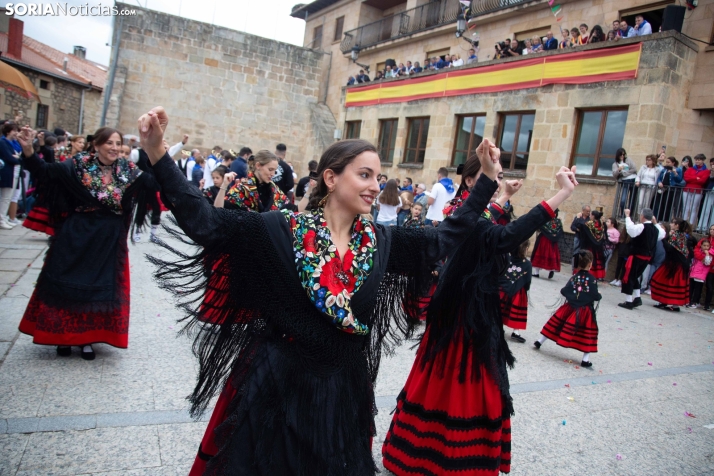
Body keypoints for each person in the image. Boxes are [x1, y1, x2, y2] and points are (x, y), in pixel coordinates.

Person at [137, 105, 520, 475]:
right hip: (275, 383)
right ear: (332, 179)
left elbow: (444, 239)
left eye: (378, 177)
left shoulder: (382, 241)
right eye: (365, 175)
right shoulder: (277, 230)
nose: (376, 186)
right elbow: (205, 222)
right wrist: (157, 152)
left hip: (341, 389)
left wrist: (486, 179)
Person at [382, 151, 578, 476]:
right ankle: (448, 460)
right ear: (473, 180)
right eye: (495, 175)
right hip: (465, 317)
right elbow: (505, 235)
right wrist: (561, 194)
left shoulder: (462, 212)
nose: (499, 180)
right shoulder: (468, 219)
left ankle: (422, 452)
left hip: (462, 309)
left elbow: (484, 218)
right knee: (462, 382)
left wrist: (504, 195)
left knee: (443, 379)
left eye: (499, 175)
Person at [16, 125, 155, 360]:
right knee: (67, 283)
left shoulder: (128, 170)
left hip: (108, 239)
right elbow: (45, 172)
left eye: (117, 143)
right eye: (109, 143)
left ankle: (86, 340)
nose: (114, 147)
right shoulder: (77, 165)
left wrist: (155, 150)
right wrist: (29, 148)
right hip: (77, 233)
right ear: (97, 144)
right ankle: (61, 336)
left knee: (97, 288)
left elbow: (155, 184)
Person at [534, 250, 601, 368]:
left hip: (570, 307)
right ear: (590, 264)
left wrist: (573, 296)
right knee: (588, 333)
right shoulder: (592, 279)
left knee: (556, 323)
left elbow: (565, 290)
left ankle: (540, 341)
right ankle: (585, 359)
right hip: (585, 311)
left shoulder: (574, 277)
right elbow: (595, 295)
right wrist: (598, 295)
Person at [618, 208, 664, 310]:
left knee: (629, 276)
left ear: (642, 216)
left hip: (637, 256)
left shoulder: (642, 226)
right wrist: (655, 223)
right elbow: (662, 234)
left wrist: (627, 216)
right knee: (634, 276)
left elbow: (631, 231)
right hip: (647, 258)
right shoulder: (656, 229)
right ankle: (637, 298)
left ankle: (629, 301)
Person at [217, 150, 288, 212]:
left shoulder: (275, 191)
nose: (273, 174)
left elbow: (291, 210)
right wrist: (224, 185)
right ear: (258, 166)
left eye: (275, 171)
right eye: (270, 169)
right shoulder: (241, 188)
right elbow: (219, 212)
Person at [650, 218, 690, 312]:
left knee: (671, 281)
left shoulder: (676, 235)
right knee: (668, 281)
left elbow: (670, 248)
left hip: (675, 263)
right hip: (676, 262)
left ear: (677, 225)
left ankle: (670, 303)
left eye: (673, 223)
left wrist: (663, 239)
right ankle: (665, 302)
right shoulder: (681, 235)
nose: (671, 224)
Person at [500, 240, 532, 343]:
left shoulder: (507, 259)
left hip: (502, 288)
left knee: (500, 308)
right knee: (516, 311)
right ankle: (516, 331)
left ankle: (497, 326)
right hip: (519, 291)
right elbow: (527, 280)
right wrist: (526, 289)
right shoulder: (527, 264)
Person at [574, 209, 607, 281]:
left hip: (589, 245)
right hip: (598, 247)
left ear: (593, 216)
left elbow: (581, 226)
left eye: (591, 215)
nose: (590, 216)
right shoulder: (601, 224)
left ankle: (586, 273)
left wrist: (578, 218)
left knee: (588, 259)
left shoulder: (589, 223)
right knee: (596, 260)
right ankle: (596, 276)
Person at [0, 122, 21, 230]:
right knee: (5, 197)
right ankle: (1, 219)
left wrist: (17, 157)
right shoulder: (3, 142)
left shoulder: (11, 143)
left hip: (12, 172)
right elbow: (10, 157)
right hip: (7, 172)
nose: (16, 133)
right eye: (14, 131)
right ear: (8, 131)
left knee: (8, 197)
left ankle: (3, 218)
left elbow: (19, 156)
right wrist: (17, 157)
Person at [531, 209, 563, 279]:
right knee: (551, 253)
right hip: (552, 242)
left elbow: (540, 227)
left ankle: (536, 272)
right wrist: (554, 237)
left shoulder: (545, 220)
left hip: (544, 239)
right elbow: (560, 231)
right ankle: (551, 270)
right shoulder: (558, 222)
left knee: (540, 252)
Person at [654, 156, 684, 222]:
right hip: (662, 189)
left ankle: (665, 220)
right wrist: (659, 182)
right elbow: (659, 178)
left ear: (673, 163)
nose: (667, 163)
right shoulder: (664, 169)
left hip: (670, 190)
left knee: (667, 205)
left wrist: (675, 173)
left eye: (669, 162)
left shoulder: (678, 170)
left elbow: (679, 180)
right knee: (660, 204)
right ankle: (659, 219)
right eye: (666, 162)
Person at [690, 227, 714, 310]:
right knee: (694, 285)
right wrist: (701, 257)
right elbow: (696, 250)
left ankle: (705, 304)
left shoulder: (709, 250)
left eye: (713, 229)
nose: (712, 231)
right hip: (697, 267)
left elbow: (709, 260)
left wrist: (707, 254)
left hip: (709, 269)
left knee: (708, 287)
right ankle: (692, 301)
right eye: (711, 229)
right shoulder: (705, 239)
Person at [683, 154, 708, 225]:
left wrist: (693, 178)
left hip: (698, 191)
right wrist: (696, 178)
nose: (697, 161)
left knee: (693, 208)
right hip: (687, 189)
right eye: (696, 160)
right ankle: (684, 223)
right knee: (685, 207)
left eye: (699, 160)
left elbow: (702, 181)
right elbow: (686, 178)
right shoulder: (690, 169)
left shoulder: (706, 171)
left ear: (702, 160)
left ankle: (690, 224)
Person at [613, 148, 637, 215]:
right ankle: (622, 215)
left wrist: (625, 173)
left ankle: (630, 215)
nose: (622, 156)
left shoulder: (628, 160)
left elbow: (634, 169)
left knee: (632, 200)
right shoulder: (615, 164)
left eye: (624, 154)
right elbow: (614, 175)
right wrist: (619, 170)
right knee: (623, 200)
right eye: (621, 155)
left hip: (632, 180)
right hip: (625, 182)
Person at [699, 157, 714, 230]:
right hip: (710, 191)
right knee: (706, 210)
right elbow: (710, 179)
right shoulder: (710, 171)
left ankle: (711, 227)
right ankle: (702, 227)